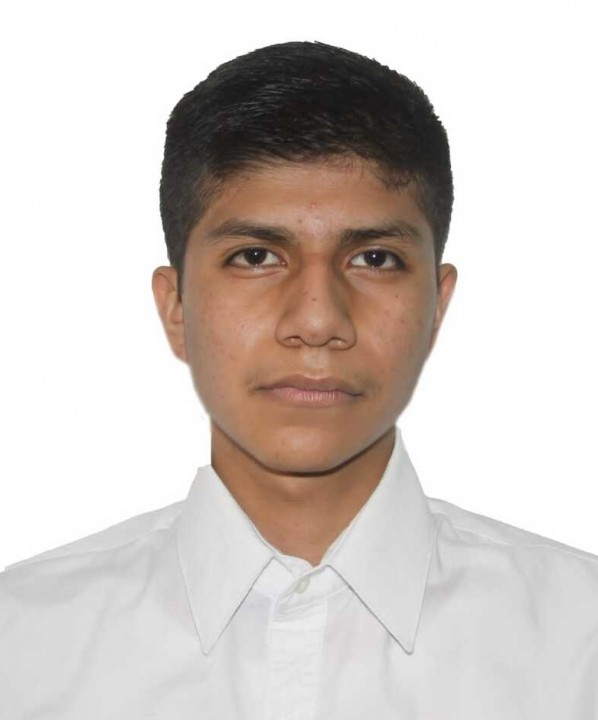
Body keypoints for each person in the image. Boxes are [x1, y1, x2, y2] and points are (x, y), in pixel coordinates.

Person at [0, 40, 596, 719]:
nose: (317, 321)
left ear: (437, 306)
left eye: (374, 259)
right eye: (256, 256)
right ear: (175, 308)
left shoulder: (579, 648)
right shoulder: (22, 646)